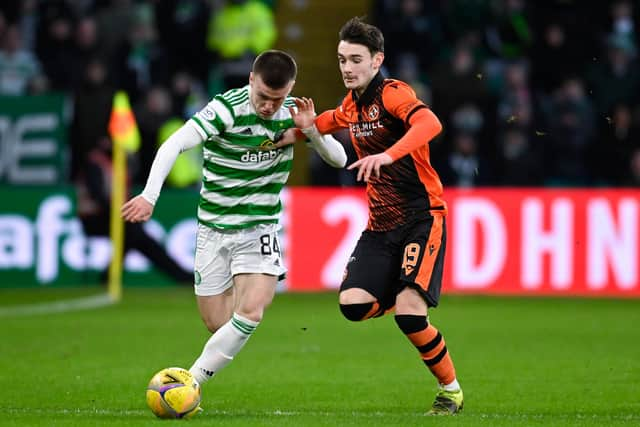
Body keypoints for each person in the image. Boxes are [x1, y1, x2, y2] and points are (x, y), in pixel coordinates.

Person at [121, 50, 346, 402]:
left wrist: (311, 130)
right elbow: (174, 144)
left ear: (289, 89)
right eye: (263, 97)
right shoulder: (225, 109)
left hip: (259, 228)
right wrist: (150, 196)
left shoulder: (292, 114)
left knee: (252, 310)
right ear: (251, 80)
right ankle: (194, 377)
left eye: (278, 98)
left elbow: (340, 159)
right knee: (218, 324)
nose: (270, 106)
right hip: (213, 228)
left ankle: (189, 383)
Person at [312, 17, 464, 415]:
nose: (347, 67)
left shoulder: (393, 92)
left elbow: (430, 122)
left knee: (411, 313)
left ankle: (450, 391)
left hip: (421, 217)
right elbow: (323, 122)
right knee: (352, 306)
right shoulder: (351, 105)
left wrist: (388, 154)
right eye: (342, 59)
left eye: (356, 59)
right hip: (380, 228)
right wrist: (289, 132)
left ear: (377, 60)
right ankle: (402, 296)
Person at [76, 136, 193, 284]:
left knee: (136, 235)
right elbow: (97, 195)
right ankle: (180, 276)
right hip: (94, 219)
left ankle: (180, 276)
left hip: (113, 217)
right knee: (136, 234)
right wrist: (122, 213)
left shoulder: (116, 164)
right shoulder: (95, 163)